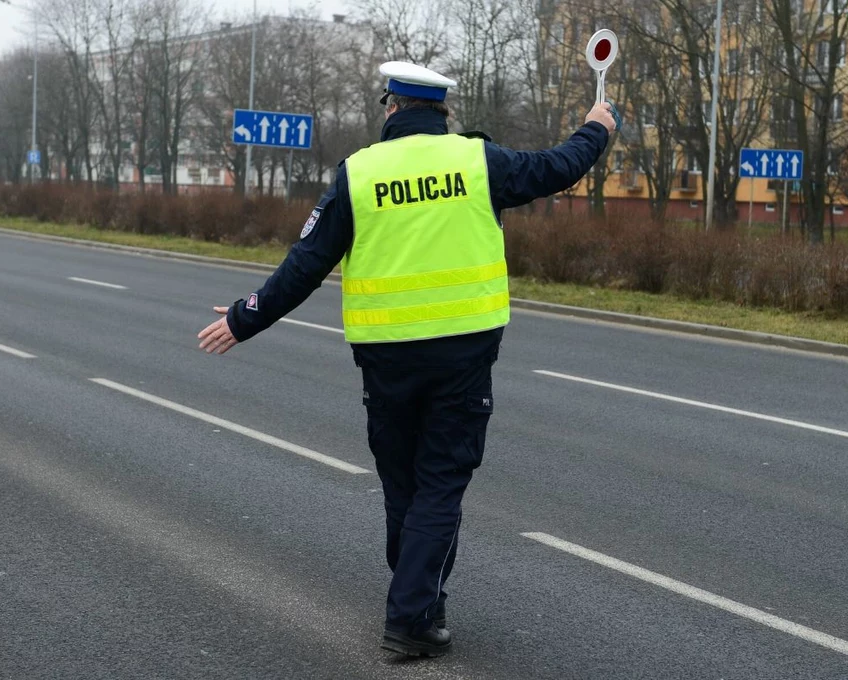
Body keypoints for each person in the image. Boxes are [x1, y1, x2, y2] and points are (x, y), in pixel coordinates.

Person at [198, 61, 619, 657]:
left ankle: (422, 606)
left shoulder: (360, 173)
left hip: (386, 360)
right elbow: (558, 167)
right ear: (440, 111)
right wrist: (595, 128)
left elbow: (306, 263)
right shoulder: (479, 162)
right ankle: (410, 617)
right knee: (440, 484)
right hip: (463, 355)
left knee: (405, 487)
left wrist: (244, 317)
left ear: (392, 107)